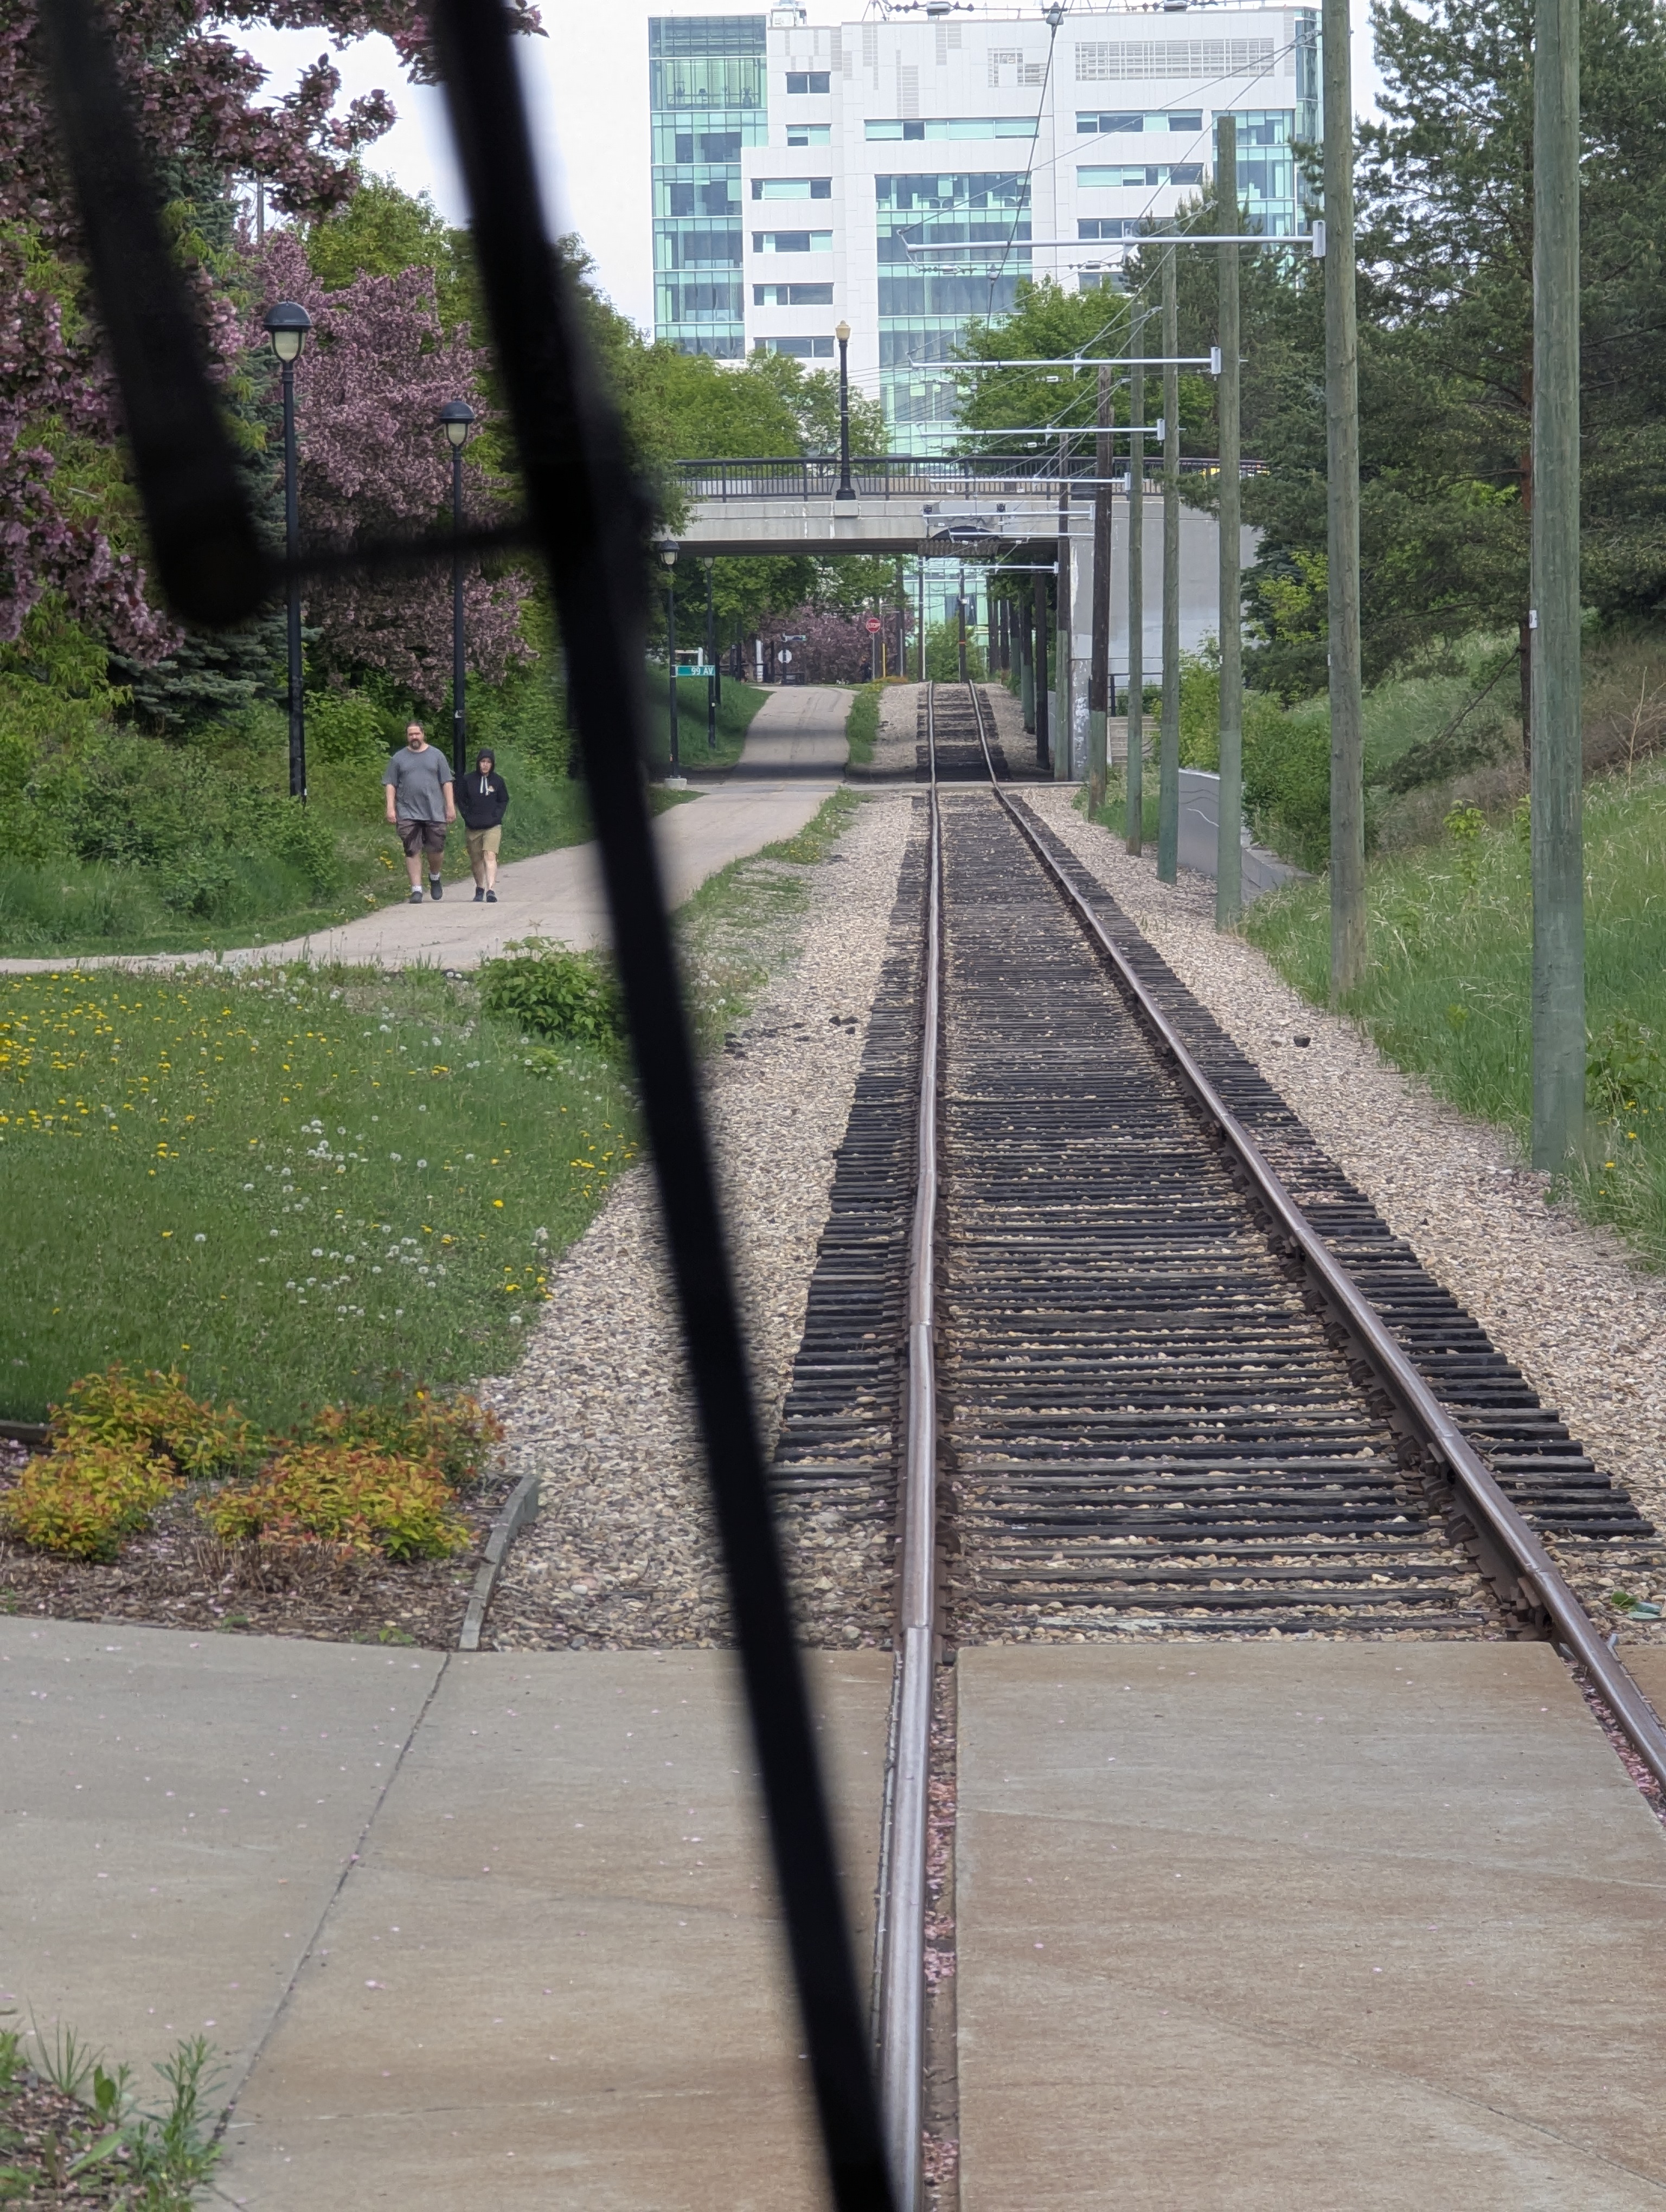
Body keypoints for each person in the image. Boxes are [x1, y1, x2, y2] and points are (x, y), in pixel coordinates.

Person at [383, 722, 455, 903]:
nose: (414, 737)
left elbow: (446, 782)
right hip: (407, 811)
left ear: (423, 734)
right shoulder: (398, 759)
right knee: (412, 849)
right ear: (407, 736)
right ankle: (416, 889)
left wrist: (450, 806)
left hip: (434, 811)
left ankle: (435, 877)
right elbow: (391, 784)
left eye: (417, 734)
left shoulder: (437, 755)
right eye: (410, 735)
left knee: (436, 849)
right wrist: (391, 808)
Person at [456, 748, 510, 902]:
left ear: (492, 764)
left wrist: (497, 816)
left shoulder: (498, 781)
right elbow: (461, 800)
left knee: (490, 854)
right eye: (483, 762)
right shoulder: (468, 780)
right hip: (473, 826)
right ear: (478, 763)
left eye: (488, 762)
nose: (485, 765)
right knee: (476, 859)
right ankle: (480, 887)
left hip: (492, 826)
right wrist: (467, 817)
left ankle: (491, 890)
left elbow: (504, 800)